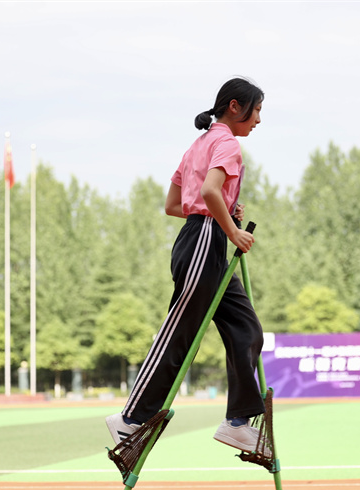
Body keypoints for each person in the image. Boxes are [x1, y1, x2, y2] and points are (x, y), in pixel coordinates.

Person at [106, 77, 266, 452]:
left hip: (204, 239)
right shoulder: (226, 143)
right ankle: (129, 419)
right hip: (203, 242)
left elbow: (174, 205)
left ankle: (238, 422)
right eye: (256, 110)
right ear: (234, 107)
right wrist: (232, 229)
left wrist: (224, 212)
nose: (259, 119)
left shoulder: (199, 144)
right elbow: (208, 192)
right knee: (180, 334)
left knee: (246, 328)